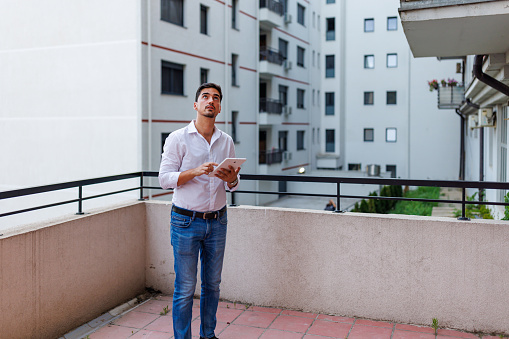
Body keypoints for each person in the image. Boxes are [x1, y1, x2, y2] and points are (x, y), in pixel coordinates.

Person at [159, 83, 240, 339]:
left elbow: (234, 185)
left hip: (218, 221)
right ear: (196, 105)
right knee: (184, 288)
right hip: (185, 221)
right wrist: (195, 171)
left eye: (216, 98)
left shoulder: (226, 141)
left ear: (219, 107)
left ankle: (208, 335)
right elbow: (164, 179)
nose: (211, 101)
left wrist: (231, 179)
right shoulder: (177, 138)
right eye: (205, 97)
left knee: (213, 286)